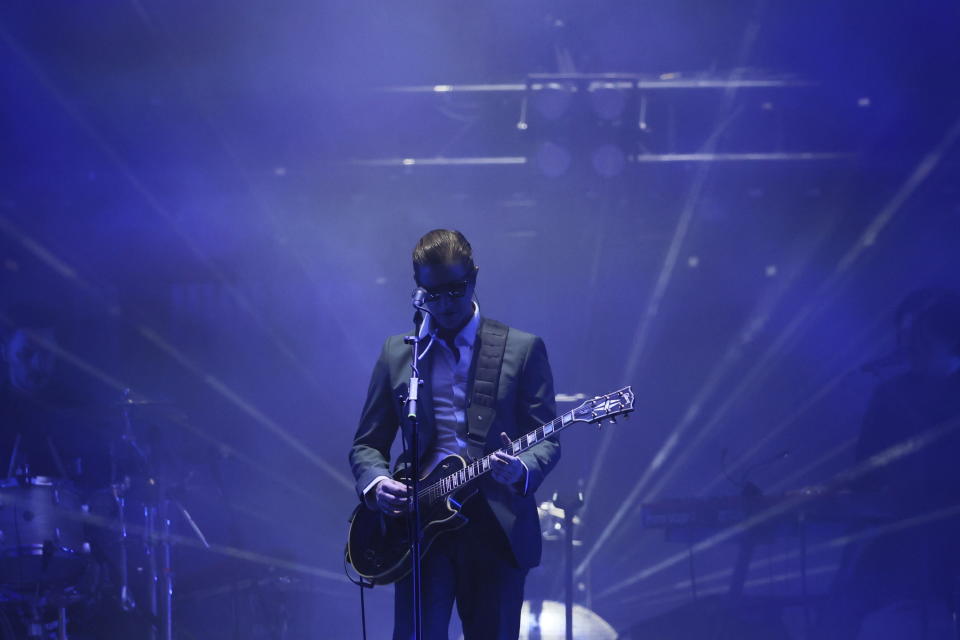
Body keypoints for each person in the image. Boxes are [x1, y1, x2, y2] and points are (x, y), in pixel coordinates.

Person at [349, 229, 561, 640]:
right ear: (418, 290)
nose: (445, 303)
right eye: (434, 293)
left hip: (495, 526)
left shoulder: (521, 348)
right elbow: (367, 443)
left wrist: (520, 469)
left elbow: (547, 438)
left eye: (455, 290)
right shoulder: (400, 353)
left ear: (474, 277)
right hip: (422, 525)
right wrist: (376, 483)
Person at [818, 289, 960, 638]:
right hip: (908, 533)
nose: (907, 345)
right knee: (843, 606)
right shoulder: (891, 393)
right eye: (904, 335)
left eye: (919, 337)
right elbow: (866, 468)